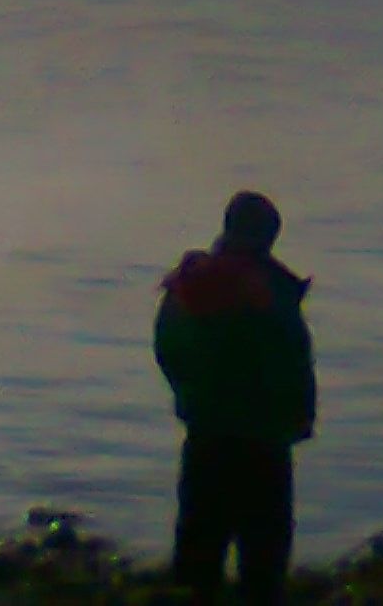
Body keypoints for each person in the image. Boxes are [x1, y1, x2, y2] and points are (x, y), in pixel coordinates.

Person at [155, 191, 317, 603]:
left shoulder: (190, 282)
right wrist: (299, 420)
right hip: (265, 443)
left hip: (205, 436)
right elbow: (293, 363)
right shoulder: (272, 290)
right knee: (263, 564)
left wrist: (190, 397)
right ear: (267, 237)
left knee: (197, 557)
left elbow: (168, 350)